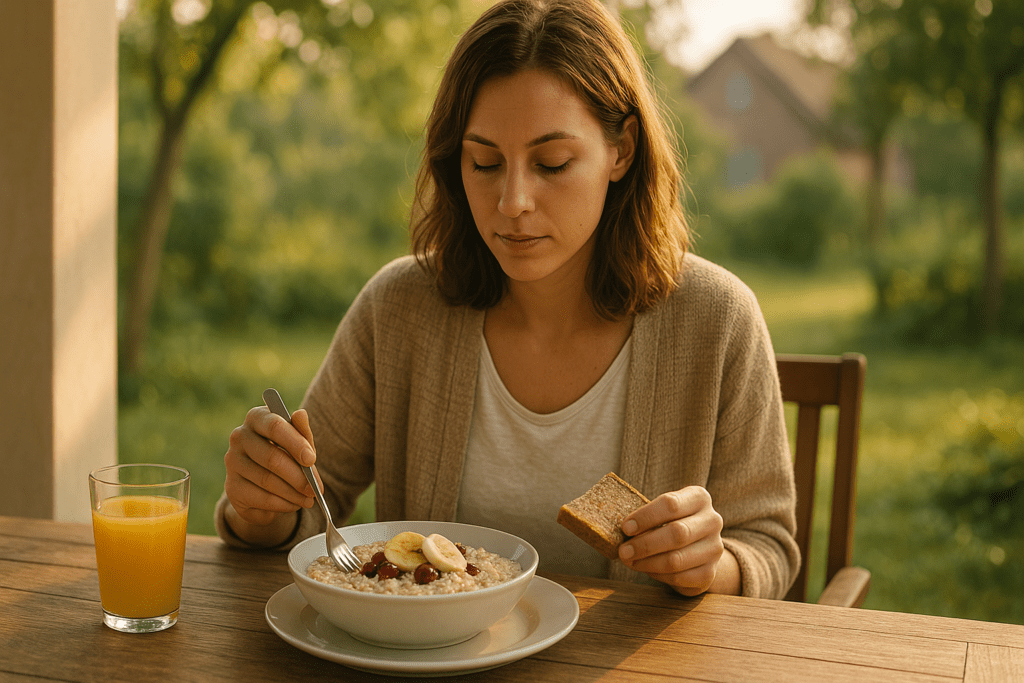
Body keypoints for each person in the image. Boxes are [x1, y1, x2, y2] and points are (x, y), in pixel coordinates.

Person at [217, 0, 799, 599]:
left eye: (552, 163)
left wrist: (710, 565)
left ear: (621, 150)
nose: (513, 200)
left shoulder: (718, 319)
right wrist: (262, 509)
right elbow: (314, 510)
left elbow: (767, 546)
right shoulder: (399, 308)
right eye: (485, 162)